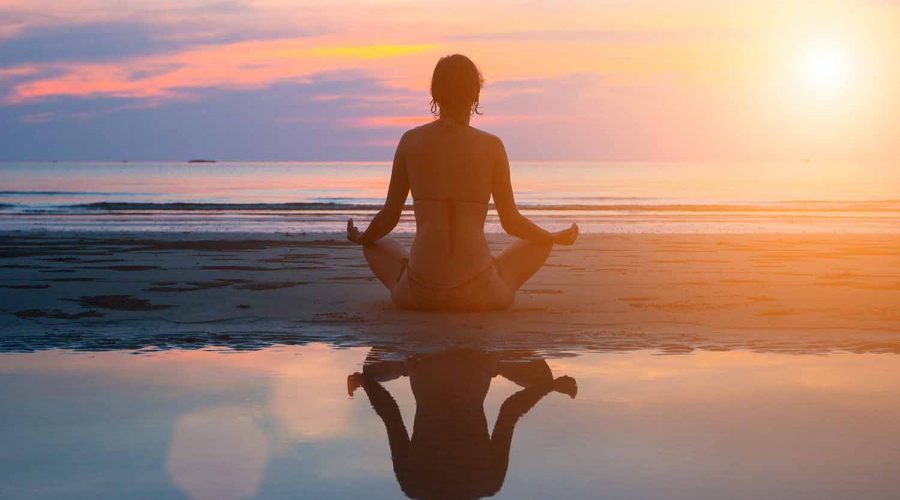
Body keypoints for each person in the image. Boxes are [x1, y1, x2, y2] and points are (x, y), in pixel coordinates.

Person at [346, 54, 578, 311]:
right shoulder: (492, 146)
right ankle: (492, 269)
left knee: (375, 244)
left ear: (435, 93)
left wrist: (362, 237)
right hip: (480, 293)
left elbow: (389, 216)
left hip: (420, 293)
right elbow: (511, 221)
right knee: (540, 243)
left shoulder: (411, 141)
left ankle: (412, 273)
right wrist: (552, 237)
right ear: (475, 94)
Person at [347, 348, 577, 499]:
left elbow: (509, 412)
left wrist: (549, 387)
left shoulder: (488, 482)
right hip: (438, 358)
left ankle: (491, 362)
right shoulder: (413, 485)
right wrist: (366, 383)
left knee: (542, 380)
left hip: (465, 359)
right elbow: (391, 416)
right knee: (370, 372)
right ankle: (490, 362)